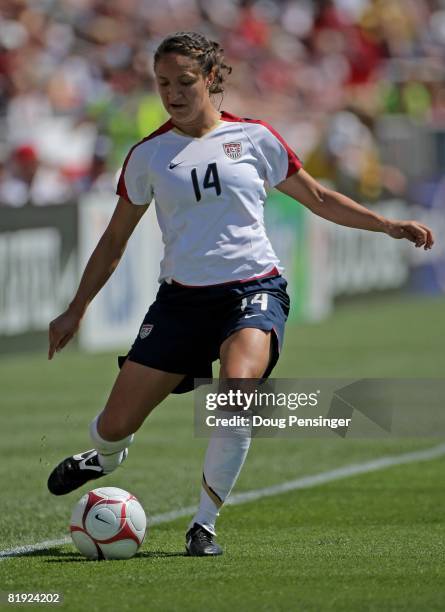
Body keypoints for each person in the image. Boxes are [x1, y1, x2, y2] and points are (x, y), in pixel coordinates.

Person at [47, 31, 434, 557]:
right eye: (163, 84)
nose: (173, 93)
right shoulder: (148, 155)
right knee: (114, 426)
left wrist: (386, 224)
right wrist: (76, 309)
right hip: (181, 302)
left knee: (237, 391)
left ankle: (203, 523)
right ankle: (106, 458)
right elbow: (115, 239)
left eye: (184, 82)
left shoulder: (255, 138)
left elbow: (318, 197)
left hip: (253, 290)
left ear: (210, 78)